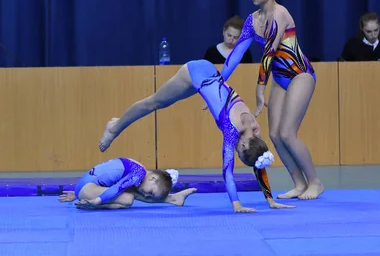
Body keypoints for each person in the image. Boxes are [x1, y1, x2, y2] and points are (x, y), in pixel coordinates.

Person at [98, 59, 295, 213]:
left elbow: (258, 159)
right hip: (194, 73)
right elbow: (227, 171)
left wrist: (270, 200)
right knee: (154, 102)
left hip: (208, 75)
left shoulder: (255, 130)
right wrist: (236, 204)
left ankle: (117, 124)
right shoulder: (232, 129)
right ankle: (115, 127)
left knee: (161, 102)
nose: (235, 150)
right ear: (242, 146)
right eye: (238, 151)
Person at [217, 0, 324, 200]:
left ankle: (315, 182)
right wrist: (217, 83)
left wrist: (259, 91)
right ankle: (298, 183)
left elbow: (268, 52)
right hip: (280, 78)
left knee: (287, 133)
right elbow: (235, 56)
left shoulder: (280, 14)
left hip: (300, 74)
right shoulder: (251, 20)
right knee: (274, 134)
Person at [58, 157, 196, 209]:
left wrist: (78, 193)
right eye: (150, 193)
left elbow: (102, 176)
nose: (146, 196)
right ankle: (171, 199)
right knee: (128, 199)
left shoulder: (137, 168)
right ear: (153, 178)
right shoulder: (138, 174)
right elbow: (116, 188)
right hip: (86, 189)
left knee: (132, 191)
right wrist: (97, 201)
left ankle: (172, 199)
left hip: (85, 188)